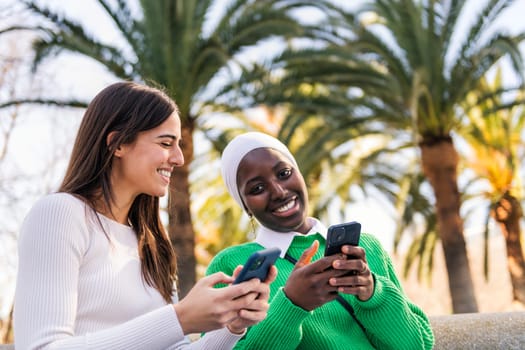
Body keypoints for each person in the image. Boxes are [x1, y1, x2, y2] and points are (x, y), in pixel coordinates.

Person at [13, 82, 275, 350]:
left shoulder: (152, 245)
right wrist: (181, 317)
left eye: (179, 145)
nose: (179, 158)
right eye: (165, 143)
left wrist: (232, 325)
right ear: (117, 143)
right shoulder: (60, 214)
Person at [206, 131, 435, 349]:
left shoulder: (366, 248)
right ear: (245, 205)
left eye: (284, 173)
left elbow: (419, 344)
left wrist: (373, 293)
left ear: (300, 174)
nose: (278, 191)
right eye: (257, 188)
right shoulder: (231, 266)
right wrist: (292, 304)